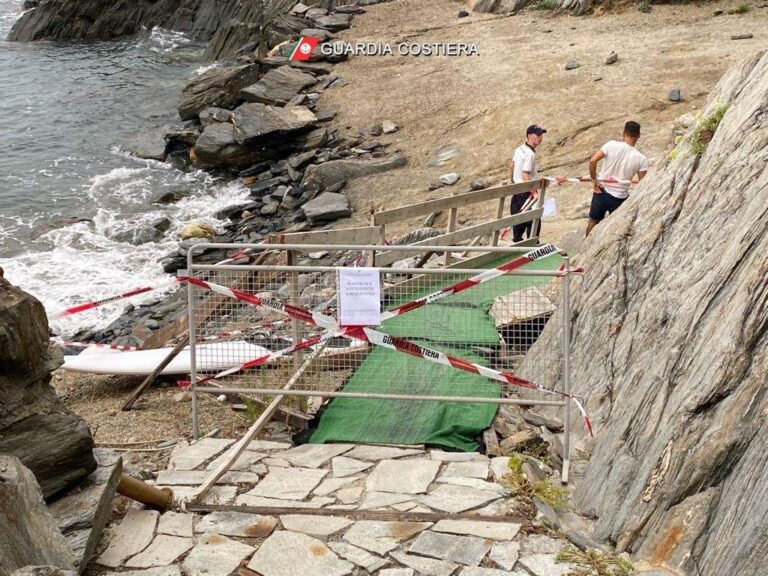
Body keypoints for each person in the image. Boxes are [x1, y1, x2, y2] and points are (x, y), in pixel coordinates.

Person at [586, 121, 649, 236]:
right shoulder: (642, 159)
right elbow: (643, 184)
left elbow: (592, 161)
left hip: (601, 191)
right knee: (615, 229)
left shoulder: (611, 145)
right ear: (638, 136)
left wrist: (594, 180)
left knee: (593, 221)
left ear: (624, 133)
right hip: (619, 198)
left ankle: (584, 249)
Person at [509, 124, 546, 242]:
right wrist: (534, 193)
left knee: (518, 221)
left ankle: (517, 243)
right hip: (526, 192)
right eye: (538, 135)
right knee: (534, 222)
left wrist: (513, 182)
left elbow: (511, 166)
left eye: (541, 135)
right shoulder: (530, 154)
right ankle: (533, 246)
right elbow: (526, 174)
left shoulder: (519, 149)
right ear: (529, 136)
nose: (540, 137)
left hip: (517, 190)